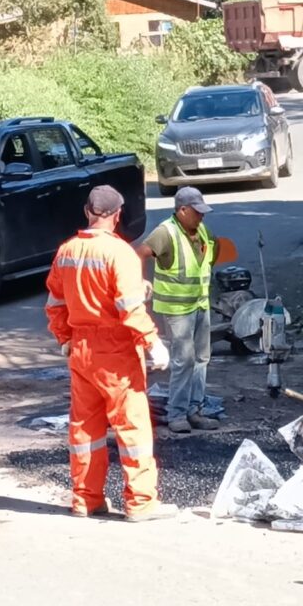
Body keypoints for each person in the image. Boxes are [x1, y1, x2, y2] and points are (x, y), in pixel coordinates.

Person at [45, 185, 175, 522]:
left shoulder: (67, 251)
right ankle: (140, 502)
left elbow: (56, 302)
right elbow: (129, 309)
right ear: (117, 216)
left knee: (85, 429)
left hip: (81, 349)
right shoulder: (120, 254)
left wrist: (64, 338)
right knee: (132, 428)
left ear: (87, 212)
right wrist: (153, 342)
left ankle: (86, 499)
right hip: (115, 351)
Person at [136, 186, 219, 434]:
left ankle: (195, 410)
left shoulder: (201, 230)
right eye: (197, 212)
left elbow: (211, 252)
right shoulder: (166, 232)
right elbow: (140, 253)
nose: (201, 216)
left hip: (200, 304)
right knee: (184, 361)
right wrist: (141, 281)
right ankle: (177, 415)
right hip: (177, 309)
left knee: (201, 359)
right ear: (182, 211)